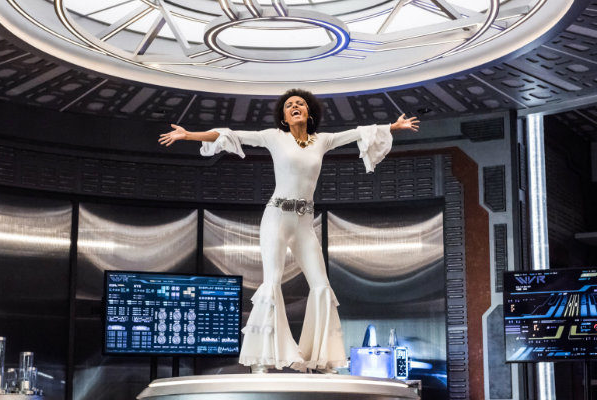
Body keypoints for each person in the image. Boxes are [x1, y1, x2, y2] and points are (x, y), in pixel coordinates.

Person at [158, 89, 419, 373]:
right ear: (284, 116)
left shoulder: (323, 140)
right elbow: (230, 134)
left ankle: (321, 359)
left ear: (309, 112)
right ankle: (263, 359)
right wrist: (189, 135)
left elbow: (358, 133)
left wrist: (393, 126)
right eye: (289, 105)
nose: (295, 106)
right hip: (277, 216)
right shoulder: (274, 137)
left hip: (304, 221)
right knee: (272, 281)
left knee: (321, 285)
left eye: (300, 104)